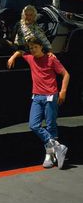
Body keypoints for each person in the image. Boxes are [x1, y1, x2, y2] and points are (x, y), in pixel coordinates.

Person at [7, 37, 70, 169]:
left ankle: (50, 155)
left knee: (51, 125)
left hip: (51, 96)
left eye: (35, 47)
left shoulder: (51, 58)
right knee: (33, 125)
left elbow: (66, 74)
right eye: (31, 48)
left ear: (41, 47)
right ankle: (58, 147)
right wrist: (13, 57)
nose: (33, 50)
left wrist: (63, 91)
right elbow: (20, 52)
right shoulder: (30, 58)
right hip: (37, 97)